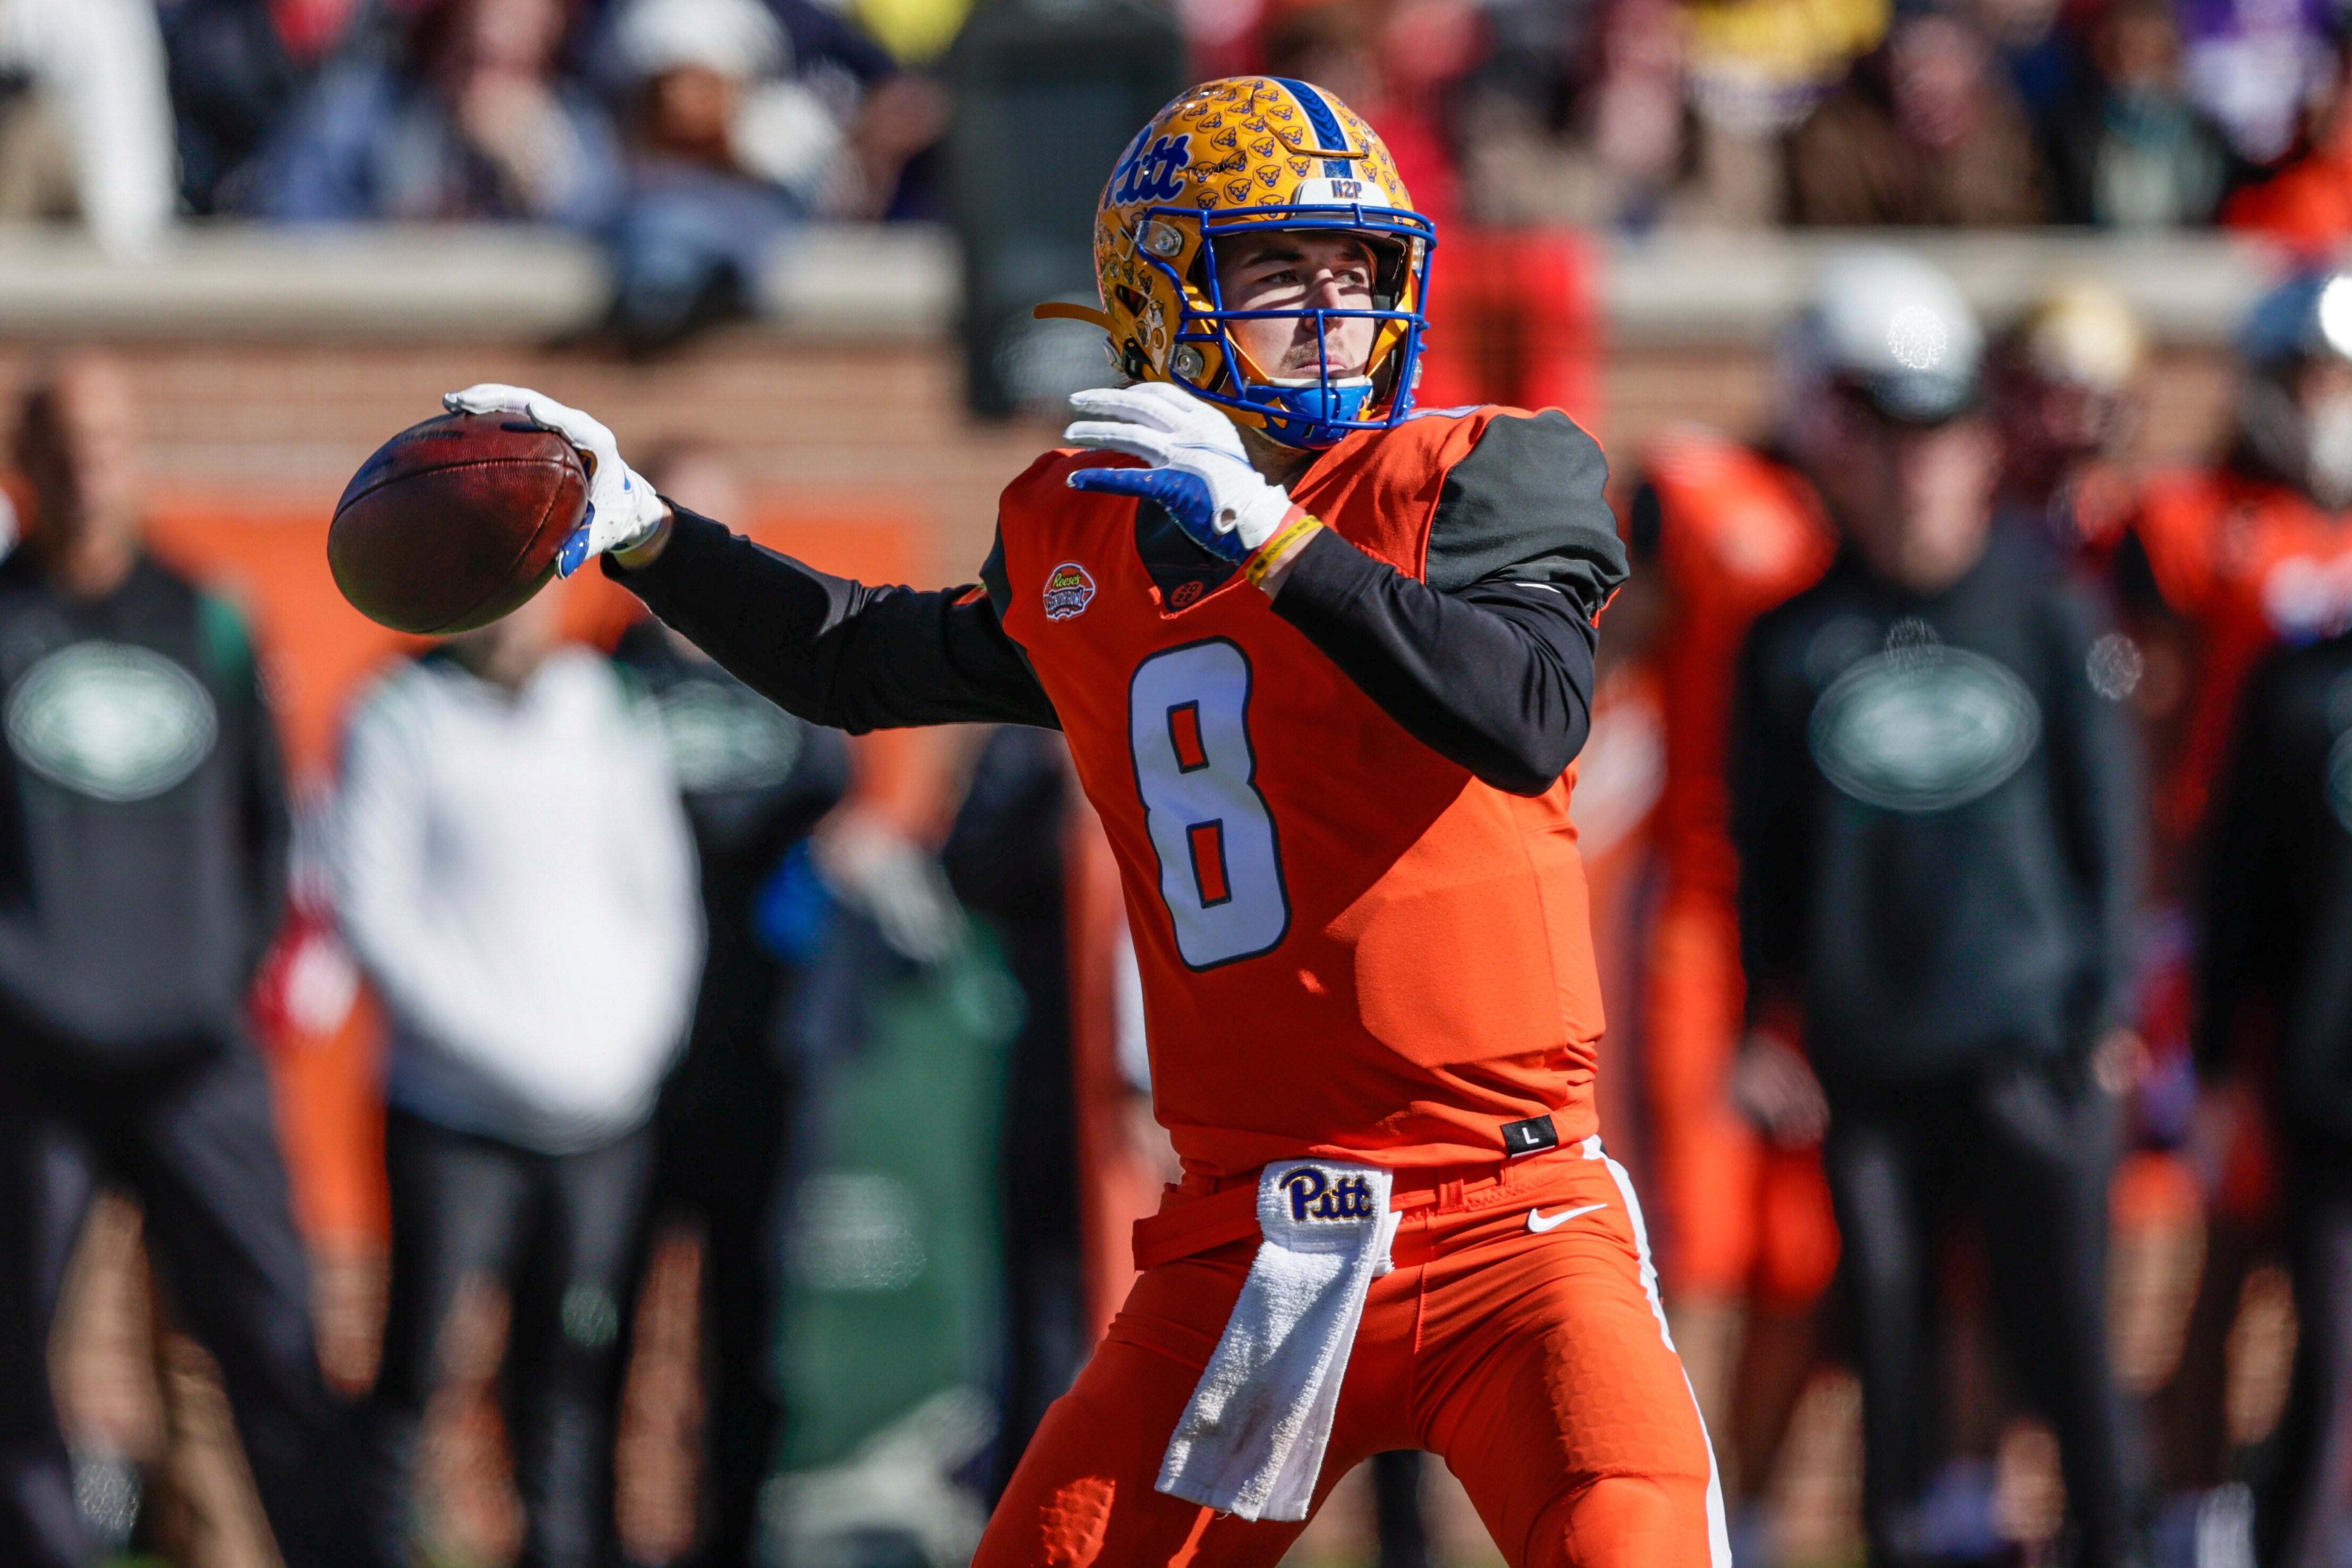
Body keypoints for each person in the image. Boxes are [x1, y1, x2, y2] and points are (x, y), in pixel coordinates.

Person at [440, 72, 1724, 1566]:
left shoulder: (1480, 474)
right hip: (1260, 1242)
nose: (1334, 303)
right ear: (1163, 295)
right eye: (1278, 264)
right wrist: (649, 531)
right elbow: (854, 659)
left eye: (1356, 266)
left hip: (1516, 1217)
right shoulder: (1084, 535)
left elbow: (1527, 711)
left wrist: (1271, 535)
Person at [1731, 250, 2145, 1567]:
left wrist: (2106, 1006)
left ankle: (2116, 1539)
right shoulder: (1793, 639)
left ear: (1983, 449)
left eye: (1943, 436)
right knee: (1888, 1350)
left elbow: (2113, 832)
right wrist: (1763, 1019)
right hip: (1872, 1059)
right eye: (1893, 439)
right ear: (1850, 456)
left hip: (2029, 1046)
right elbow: (1764, 857)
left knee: (2065, 1339)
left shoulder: (2046, 613)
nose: (1918, 467)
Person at [0, 352, 373, 1567]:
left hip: (198, 1058)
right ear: (24, 462)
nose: (85, 465)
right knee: (16, 1360)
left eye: (106, 439)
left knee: (272, 1346)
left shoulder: (205, 618)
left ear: (136, 452)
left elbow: (274, 830)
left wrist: (221, 974)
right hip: (30, 1067)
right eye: (59, 441)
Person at [333, 585, 703, 1568]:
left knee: (573, 1379)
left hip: (603, 1123)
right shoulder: (395, 714)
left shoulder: (609, 707)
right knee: (421, 1369)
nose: (510, 611)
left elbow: (663, 897)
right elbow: (375, 916)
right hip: (454, 1118)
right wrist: (517, 1053)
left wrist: (626, 1054)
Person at [1621, 265, 1857, 1548]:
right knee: (1689, 1245)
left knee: (1804, 1261)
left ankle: (1747, 1526)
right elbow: (1594, 670)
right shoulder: (1718, 505)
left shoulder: (1912, 538)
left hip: (1837, 937)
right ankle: (1673, 1527)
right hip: (1705, 915)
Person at [612, 444, 849, 1568]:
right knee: (598, 1321)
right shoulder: (596, 689)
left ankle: (733, 1542)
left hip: (759, 1054)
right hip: (617, 1066)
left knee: (748, 1328)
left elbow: (842, 828)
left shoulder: (787, 684)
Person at [2197, 625, 2352, 1567]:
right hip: (2331, 1093)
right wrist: (2217, 1065)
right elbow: (2239, 888)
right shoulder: (2302, 686)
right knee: (2338, 1365)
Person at [249, 0, 622, 226]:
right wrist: (392, 233)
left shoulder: (573, 128)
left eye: (505, 64)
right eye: (470, 59)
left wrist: (539, 168)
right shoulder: (365, 107)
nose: (492, 27)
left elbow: (605, 227)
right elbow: (289, 216)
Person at [1988, 281, 2148, 565]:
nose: (2057, 427)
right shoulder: (1977, 510)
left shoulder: (2129, 527)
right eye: (2040, 400)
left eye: (2082, 407)